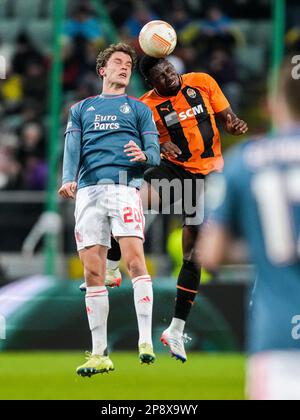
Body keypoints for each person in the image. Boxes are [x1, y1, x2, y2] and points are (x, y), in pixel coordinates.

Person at [102, 55, 248, 363]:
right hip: (174, 171)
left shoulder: (202, 83)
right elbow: (131, 144)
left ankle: (176, 330)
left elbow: (228, 119)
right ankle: (112, 264)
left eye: (170, 70)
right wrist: (154, 145)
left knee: (193, 257)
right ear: (152, 84)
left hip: (208, 179)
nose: (170, 77)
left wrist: (234, 124)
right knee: (131, 197)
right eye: (162, 76)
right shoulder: (146, 106)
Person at [198, 58, 300, 400]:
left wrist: (265, 244)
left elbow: (211, 254)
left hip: (277, 340)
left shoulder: (245, 161)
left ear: (271, 105)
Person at [59, 43, 160, 377]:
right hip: (88, 192)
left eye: (128, 64)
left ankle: (145, 341)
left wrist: (144, 156)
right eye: (117, 62)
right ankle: (100, 353)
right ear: (102, 70)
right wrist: (67, 179)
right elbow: (73, 146)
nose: (124, 67)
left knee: (134, 261)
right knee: (92, 272)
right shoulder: (82, 108)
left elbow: (155, 154)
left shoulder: (139, 109)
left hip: (123, 189)